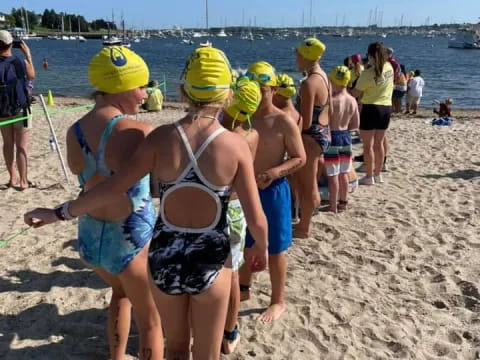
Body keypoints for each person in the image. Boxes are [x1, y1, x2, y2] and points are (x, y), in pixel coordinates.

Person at [25, 46, 269, 360]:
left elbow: (113, 188)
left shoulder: (159, 138)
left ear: (182, 90)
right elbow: (256, 217)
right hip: (209, 254)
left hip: (165, 255)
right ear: (228, 95)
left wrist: (58, 213)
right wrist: (257, 249)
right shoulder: (235, 145)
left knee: (176, 349)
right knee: (207, 354)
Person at [35, 47, 164, 358]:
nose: (145, 95)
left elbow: (85, 179)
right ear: (121, 85)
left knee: (119, 294)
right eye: (140, 86)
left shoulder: (74, 131)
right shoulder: (138, 131)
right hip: (130, 243)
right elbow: (158, 186)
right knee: (151, 322)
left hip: (92, 240)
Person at [239, 61, 306, 323]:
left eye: (262, 88)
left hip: (273, 189)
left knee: (276, 249)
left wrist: (274, 173)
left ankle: (278, 300)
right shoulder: (241, 116)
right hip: (244, 189)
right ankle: (244, 288)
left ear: (274, 89)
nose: (256, 92)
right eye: (251, 86)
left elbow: (299, 158)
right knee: (245, 242)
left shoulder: (282, 121)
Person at [220, 77, 261, 354]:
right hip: (236, 207)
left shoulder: (215, 133)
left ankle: (220, 325)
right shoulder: (251, 136)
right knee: (232, 272)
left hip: (212, 204)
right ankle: (230, 329)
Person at [293, 37, 330, 238]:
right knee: (305, 182)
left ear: (305, 57)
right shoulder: (323, 76)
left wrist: (289, 132)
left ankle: (304, 227)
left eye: (297, 55)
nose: (295, 58)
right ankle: (304, 219)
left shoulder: (309, 83)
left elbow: (305, 122)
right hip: (324, 132)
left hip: (311, 136)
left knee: (308, 186)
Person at [352, 42, 394, 185]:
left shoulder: (368, 74)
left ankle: (369, 176)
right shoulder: (389, 67)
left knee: (368, 146)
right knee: (379, 144)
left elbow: (355, 93)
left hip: (371, 108)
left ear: (370, 56)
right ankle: (378, 174)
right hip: (386, 108)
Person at [0, 30, 35, 190]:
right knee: (22, 146)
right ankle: (22, 181)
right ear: (10, 44)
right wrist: (28, 55)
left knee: (8, 144)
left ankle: (12, 178)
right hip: (20, 109)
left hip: (2, 110)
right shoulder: (19, 62)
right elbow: (31, 76)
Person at [324, 66, 359, 212]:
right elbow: (356, 124)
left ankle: (333, 205)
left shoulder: (332, 101)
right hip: (346, 137)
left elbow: (324, 120)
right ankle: (343, 202)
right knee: (344, 173)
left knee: (333, 175)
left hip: (332, 137)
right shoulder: (352, 100)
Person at [272, 73, 302, 223]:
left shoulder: (280, 116)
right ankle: (296, 213)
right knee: (295, 187)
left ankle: (289, 214)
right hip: (293, 158)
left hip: (280, 159)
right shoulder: (297, 114)